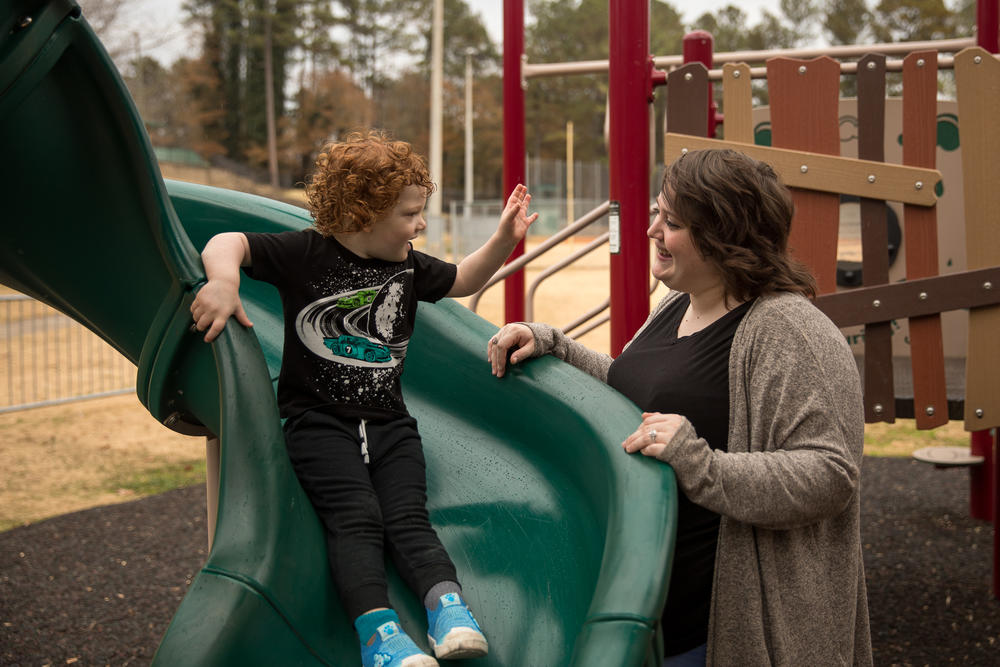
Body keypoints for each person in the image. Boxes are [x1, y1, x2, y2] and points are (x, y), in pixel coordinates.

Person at [487, 148, 872, 666]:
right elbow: (639, 392)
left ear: (722, 235)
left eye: (671, 221)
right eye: (655, 213)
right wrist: (556, 345)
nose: (651, 231)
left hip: (723, 630)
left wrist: (702, 465)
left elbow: (828, 474)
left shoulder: (789, 330)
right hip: (649, 614)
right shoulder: (678, 306)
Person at [190, 130, 537, 667]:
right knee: (356, 518)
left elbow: (465, 279)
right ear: (360, 214)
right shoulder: (306, 254)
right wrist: (223, 283)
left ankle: (447, 608)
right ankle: (378, 634)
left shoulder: (408, 264)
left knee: (407, 517)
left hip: (391, 424)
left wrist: (503, 240)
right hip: (317, 423)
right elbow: (226, 243)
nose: (420, 224)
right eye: (409, 214)